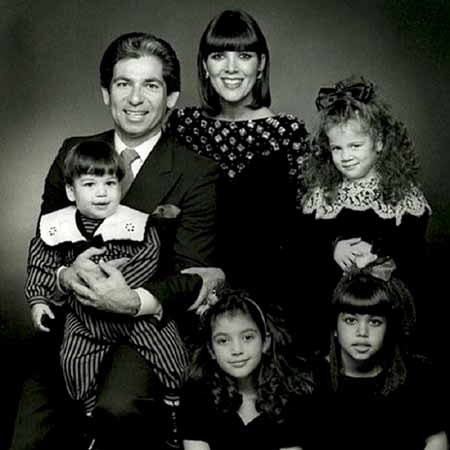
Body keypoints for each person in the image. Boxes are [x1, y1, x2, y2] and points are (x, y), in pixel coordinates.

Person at [11, 32, 221, 450]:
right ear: (106, 93)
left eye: (151, 85)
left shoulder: (197, 172)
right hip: (71, 325)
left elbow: (190, 275)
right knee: (27, 439)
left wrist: (131, 301)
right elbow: (47, 237)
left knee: (116, 409)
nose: (136, 98)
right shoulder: (73, 152)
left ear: (172, 98)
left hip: (142, 332)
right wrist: (66, 276)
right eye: (124, 84)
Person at [26, 140, 189, 417]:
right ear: (70, 190)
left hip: (135, 316)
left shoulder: (135, 223)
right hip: (85, 318)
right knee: (73, 361)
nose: (101, 193)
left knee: (169, 348)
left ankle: (175, 408)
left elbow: (149, 257)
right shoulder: (57, 226)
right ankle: (90, 415)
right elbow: (41, 263)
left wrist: (112, 285)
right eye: (90, 185)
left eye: (110, 184)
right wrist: (38, 300)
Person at [167, 9, 310, 316]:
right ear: (205, 65)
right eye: (219, 55)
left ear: (260, 65)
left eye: (244, 55)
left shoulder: (288, 133)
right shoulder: (183, 126)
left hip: (269, 297)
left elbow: (303, 234)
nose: (231, 68)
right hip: (191, 294)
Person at [301, 75, 431, 352]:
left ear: (379, 143)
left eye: (355, 146)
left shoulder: (400, 193)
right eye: (337, 148)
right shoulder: (323, 195)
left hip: (384, 302)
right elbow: (305, 244)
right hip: (333, 302)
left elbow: (414, 247)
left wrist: (378, 252)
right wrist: (333, 249)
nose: (345, 156)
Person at [305, 267, 448, 450]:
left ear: (387, 328)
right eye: (351, 320)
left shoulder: (415, 377)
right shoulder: (310, 379)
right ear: (334, 328)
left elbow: (436, 440)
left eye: (375, 322)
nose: (362, 333)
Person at [180, 288, 313, 450]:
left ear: (265, 342)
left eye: (247, 337)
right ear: (211, 349)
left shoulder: (290, 397)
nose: (237, 350)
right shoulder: (197, 397)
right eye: (223, 341)